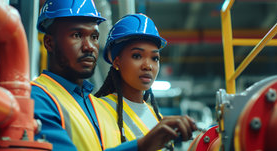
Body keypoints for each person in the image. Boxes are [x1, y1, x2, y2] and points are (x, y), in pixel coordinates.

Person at [31, 0, 196, 150]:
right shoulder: (36, 98)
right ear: (49, 43)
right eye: (77, 35)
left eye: (94, 37)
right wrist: (143, 146)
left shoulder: (91, 104)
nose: (89, 47)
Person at [95, 14, 196, 149]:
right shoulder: (97, 109)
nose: (148, 66)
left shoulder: (156, 117)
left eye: (155, 58)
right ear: (116, 61)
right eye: (137, 56)